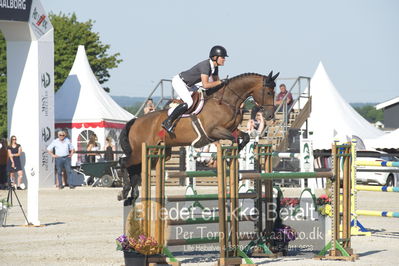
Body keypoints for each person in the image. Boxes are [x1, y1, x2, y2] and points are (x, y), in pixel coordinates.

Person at [161, 45, 229, 133]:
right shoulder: (206, 65)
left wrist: (224, 84)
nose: (224, 59)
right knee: (189, 103)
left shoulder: (215, 68)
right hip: (180, 82)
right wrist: (221, 82)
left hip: (191, 85)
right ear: (215, 57)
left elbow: (216, 83)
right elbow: (206, 85)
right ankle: (168, 121)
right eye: (223, 57)